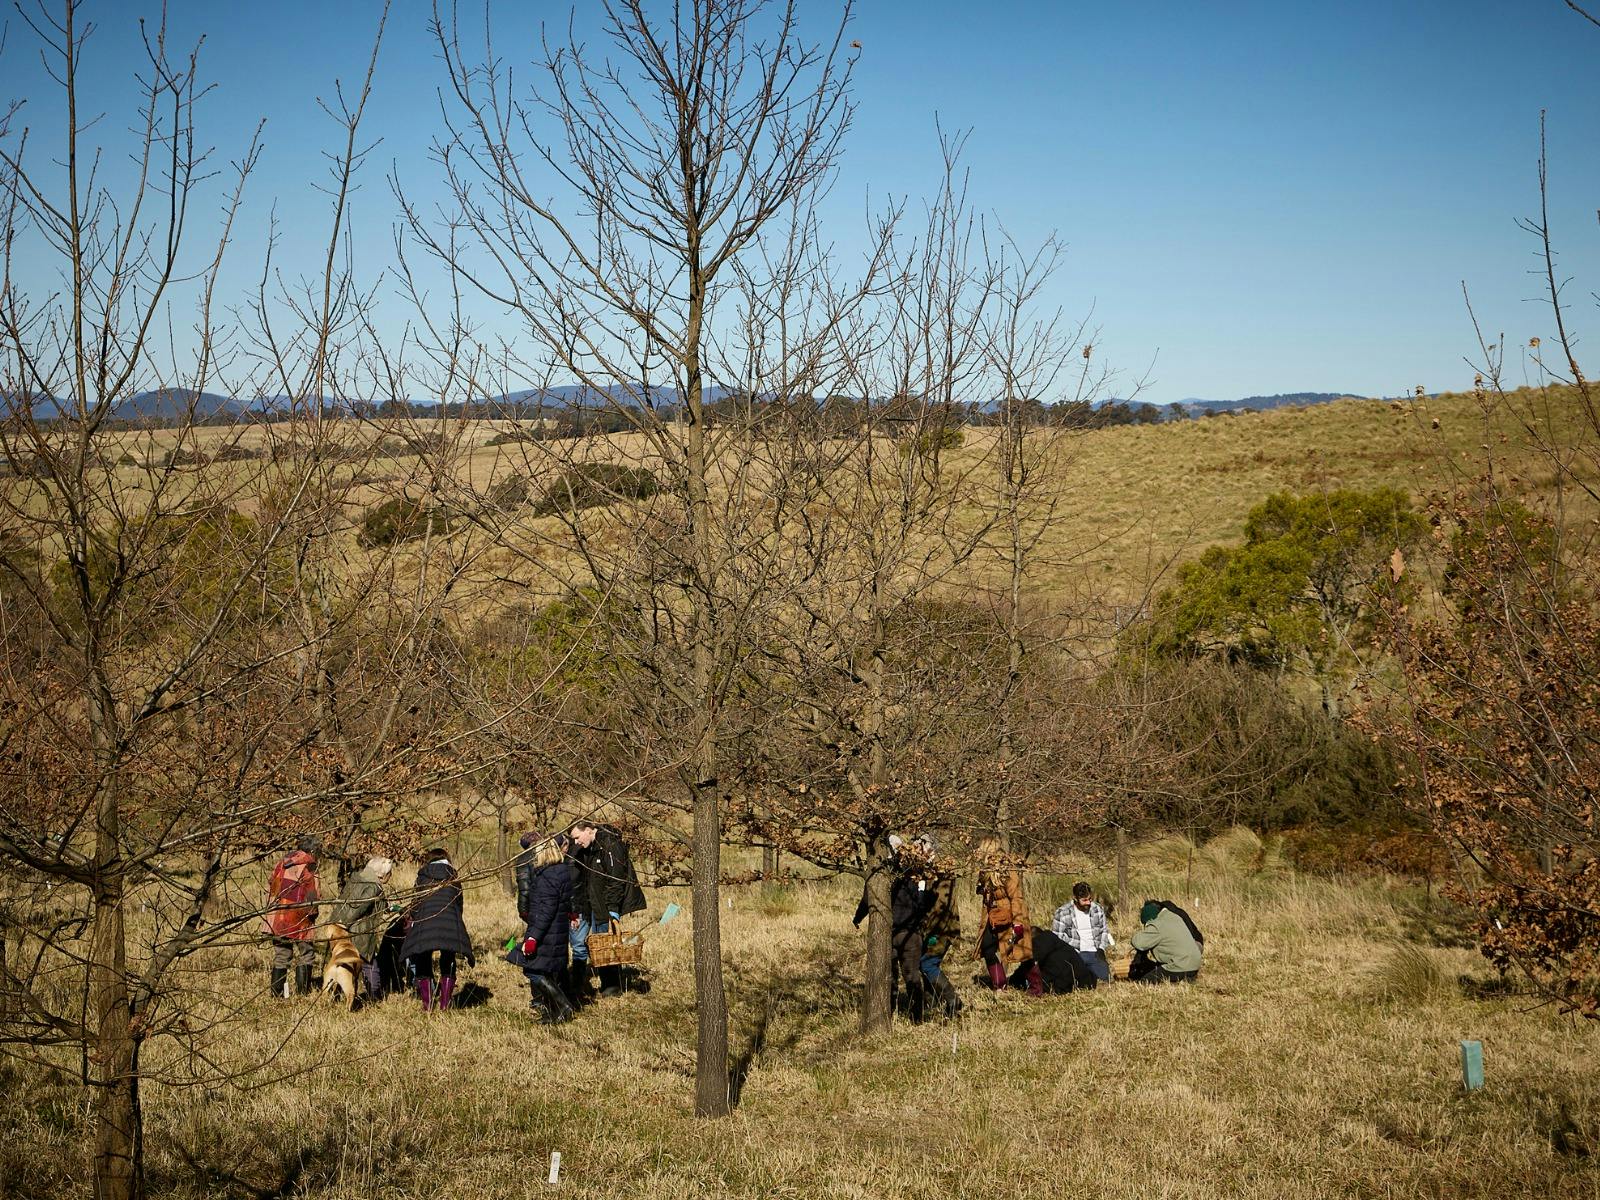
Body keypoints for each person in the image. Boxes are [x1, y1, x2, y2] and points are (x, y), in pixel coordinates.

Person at [567, 818, 646, 998]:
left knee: (607, 945)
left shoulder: (610, 845)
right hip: (588, 903)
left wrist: (613, 909)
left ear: (588, 829)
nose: (576, 842)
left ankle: (611, 986)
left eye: (577, 837)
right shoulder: (587, 848)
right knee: (583, 944)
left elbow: (615, 880)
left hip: (604, 906)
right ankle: (576, 986)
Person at [511, 831, 577, 1024]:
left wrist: (532, 938)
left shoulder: (547, 877)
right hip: (557, 929)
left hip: (547, 932)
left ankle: (563, 1006)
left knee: (533, 970)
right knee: (546, 971)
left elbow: (544, 912)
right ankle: (553, 1010)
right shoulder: (561, 871)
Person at [399, 848, 475, 1010]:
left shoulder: (422, 878)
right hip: (449, 923)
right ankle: (445, 1004)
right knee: (448, 958)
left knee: (422, 958)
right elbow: (459, 905)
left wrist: (415, 919)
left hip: (425, 923)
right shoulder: (454, 877)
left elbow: (415, 905)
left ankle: (428, 1005)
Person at [974, 836, 1040, 995]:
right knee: (987, 948)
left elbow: (1017, 897)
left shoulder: (1008, 869)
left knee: (1021, 952)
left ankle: (1036, 988)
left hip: (1009, 913)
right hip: (992, 915)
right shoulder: (985, 871)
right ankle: (1000, 986)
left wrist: (1018, 923)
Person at [330, 856, 395, 1001]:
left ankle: (336, 995)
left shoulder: (355, 879)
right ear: (381, 874)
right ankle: (374, 997)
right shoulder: (374, 887)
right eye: (389, 874)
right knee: (369, 964)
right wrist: (345, 925)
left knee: (341, 961)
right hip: (358, 932)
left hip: (337, 928)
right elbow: (357, 910)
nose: (390, 877)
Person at [264, 835, 321, 998]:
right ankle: (303, 994)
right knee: (307, 954)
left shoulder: (282, 862)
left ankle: (277, 995)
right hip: (299, 917)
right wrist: (312, 916)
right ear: (312, 850)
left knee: (282, 955)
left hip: (278, 915)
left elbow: (272, 885)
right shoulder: (310, 866)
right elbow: (313, 896)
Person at [913, 835, 962, 1019]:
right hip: (935, 927)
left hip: (939, 928)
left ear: (929, 847)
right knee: (924, 964)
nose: (917, 850)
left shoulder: (940, 871)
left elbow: (939, 905)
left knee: (928, 963)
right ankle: (931, 1004)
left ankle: (952, 1000)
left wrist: (922, 889)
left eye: (919, 846)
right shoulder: (929, 869)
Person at [1128, 899, 1203, 984]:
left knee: (1144, 981)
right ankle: (1186, 978)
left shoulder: (1157, 925)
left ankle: (1177, 980)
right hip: (1194, 965)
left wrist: (1137, 935)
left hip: (1179, 966)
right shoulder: (1174, 917)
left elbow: (1139, 943)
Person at [1051, 882, 1112, 985]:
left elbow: (1104, 930)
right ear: (1075, 898)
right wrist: (1070, 953)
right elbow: (1057, 938)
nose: (1088, 903)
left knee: (1105, 980)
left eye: (1090, 899)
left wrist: (1101, 948)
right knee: (1074, 982)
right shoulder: (1063, 912)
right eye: (1084, 900)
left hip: (1095, 953)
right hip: (1075, 953)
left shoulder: (1097, 909)